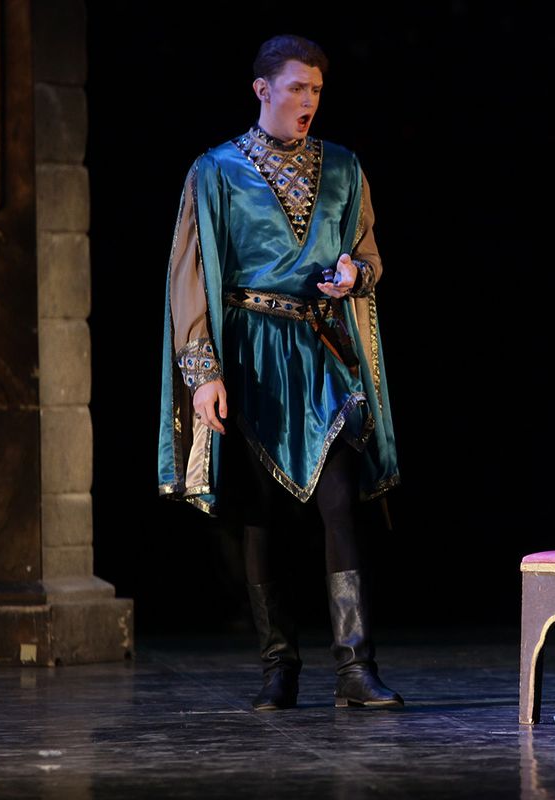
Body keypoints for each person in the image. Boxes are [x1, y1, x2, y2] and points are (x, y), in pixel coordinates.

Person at [156, 34, 402, 711]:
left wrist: (354, 274)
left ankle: (355, 666)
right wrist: (203, 372)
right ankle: (278, 666)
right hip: (252, 352)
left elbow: (368, 255)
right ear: (262, 90)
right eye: (297, 88)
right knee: (258, 511)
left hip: (320, 349)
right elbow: (190, 274)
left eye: (316, 89)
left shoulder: (344, 167)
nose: (308, 101)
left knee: (340, 501)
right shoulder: (215, 170)